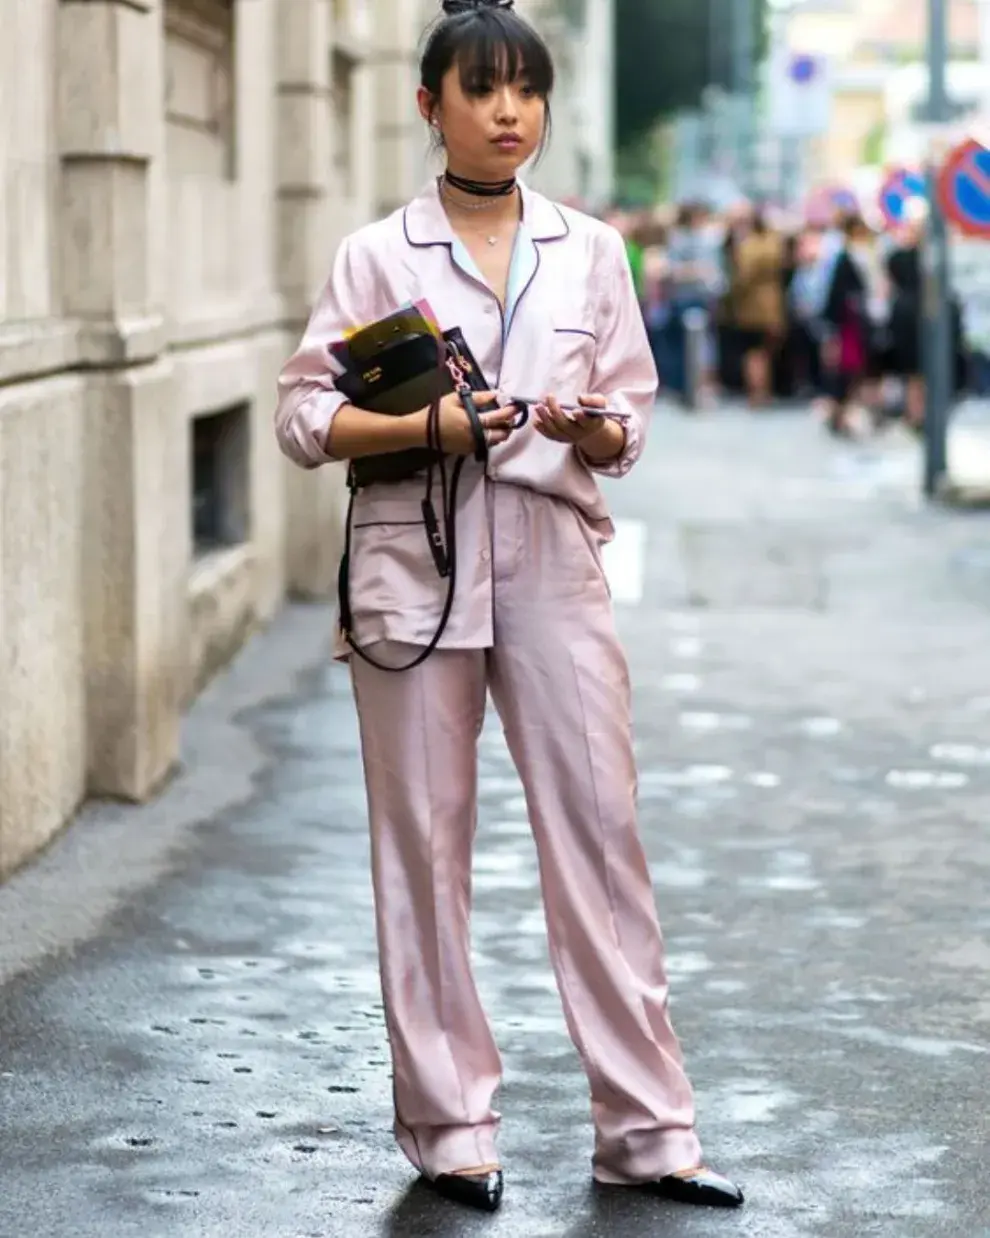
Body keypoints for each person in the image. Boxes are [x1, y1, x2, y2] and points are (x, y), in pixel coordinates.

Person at [274, 0, 743, 1217]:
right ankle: (451, 1128)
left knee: (598, 832)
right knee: (423, 848)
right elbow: (304, 417)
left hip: (550, 552)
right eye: (480, 90)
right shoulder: (377, 254)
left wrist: (599, 427)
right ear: (429, 106)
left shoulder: (590, 248)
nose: (508, 111)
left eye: (525, 89)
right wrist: (427, 423)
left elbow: (629, 408)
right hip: (413, 555)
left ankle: (648, 1130)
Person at [730, 208, 785, 407]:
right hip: (773, 304)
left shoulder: (748, 246)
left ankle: (756, 393)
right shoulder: (775, 245)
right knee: (765, 351)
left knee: (752, 351)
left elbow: (742, 278)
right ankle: (766, 391)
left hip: (751, 306)